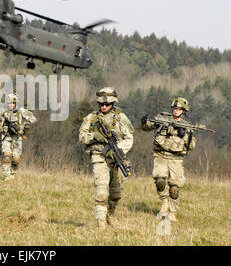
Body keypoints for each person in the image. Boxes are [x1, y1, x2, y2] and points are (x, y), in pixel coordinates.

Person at [79, 87, 134, 228]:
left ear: (113, 104)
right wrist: (94, 136)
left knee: (116, 193)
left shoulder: (121, 117)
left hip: (116, 158)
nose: (104, 107)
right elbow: (82, 137)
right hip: (99, 156)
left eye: (107, 104)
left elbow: (129, 138)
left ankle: (111, 215)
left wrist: (119, 150)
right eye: (101, 104)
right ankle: (101, 222)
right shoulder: (91, 118)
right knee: (102, 191)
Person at [141, 97, 196, 222]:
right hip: (160, 155)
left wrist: (185, 135)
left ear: (183, 111)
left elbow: (192, 146)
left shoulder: (187, 126)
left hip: (176, 159)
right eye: (175, 108)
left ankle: (173, 211)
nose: (176, 111)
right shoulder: (162, 120)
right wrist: (145, 122)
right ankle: (164, 202)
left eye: (179, 109)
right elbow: (148, 127)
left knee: (174, 188)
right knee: (160, 180)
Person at [0, 93, 37, 181]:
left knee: (16, 159)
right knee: (6, 156)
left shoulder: (21, 111)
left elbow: (33, 118)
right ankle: (6, 175)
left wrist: (26, 125)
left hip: (17, 137)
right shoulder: (3, 112)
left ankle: (12, 173)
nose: (11, 105)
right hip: (6, 137)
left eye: (13, 103)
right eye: (9, 103)